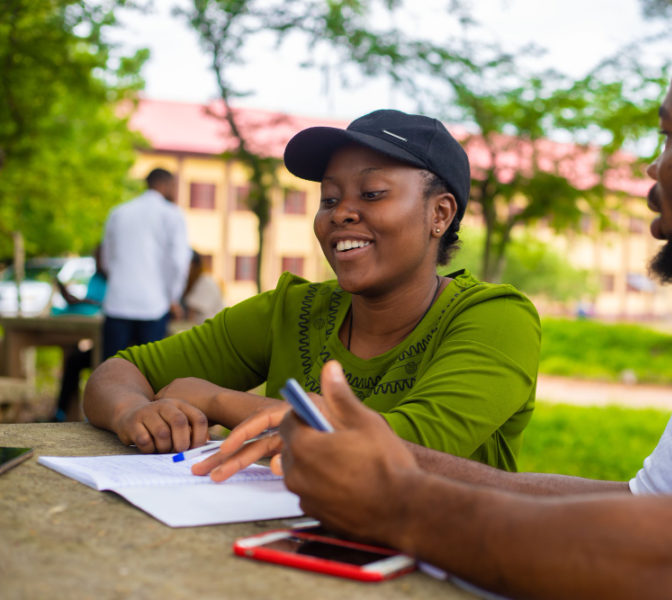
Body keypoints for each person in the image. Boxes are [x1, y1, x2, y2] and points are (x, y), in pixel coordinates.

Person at [269, 2, 672, 598]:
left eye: (670, 137)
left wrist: (398, 505)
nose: (654, 172)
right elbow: (646, 511)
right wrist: (395, 462)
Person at [83, 109, 540, 474]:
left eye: (373, 193)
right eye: (329, 198)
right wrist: (130, 413)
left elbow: (400, 448)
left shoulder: (496, 319)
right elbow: (120, 371)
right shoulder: (293, 309)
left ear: (439, 214)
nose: (341, 213)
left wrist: (218, 400)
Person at [100, 168, 192, 358]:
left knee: (112, 371)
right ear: (165, 184)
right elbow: (178, 261)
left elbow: (106, 259)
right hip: (154, 305)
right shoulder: (172, 214)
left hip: (117, 302)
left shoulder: (118, 212)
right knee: (149, 375)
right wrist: (173, 297)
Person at [51, 245, 107, 421]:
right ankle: (61, 413)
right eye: (96, 258)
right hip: (99, 336)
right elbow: (93, 303)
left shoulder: (120, 280)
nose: (98, 262)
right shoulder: (96, 278)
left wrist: (81, 301)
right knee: (74, 360)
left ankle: (97, 416)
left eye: (102, 257)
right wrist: (75, 301)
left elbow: (101, 305)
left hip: (118, 346)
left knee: (100, 363)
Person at [181, 250, 224, 324]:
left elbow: (191, 314)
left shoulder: (205, 282)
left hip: (209, 329)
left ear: (193, 264)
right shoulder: (193, 281)